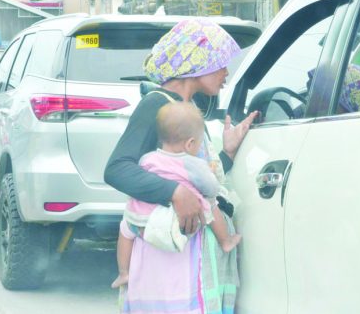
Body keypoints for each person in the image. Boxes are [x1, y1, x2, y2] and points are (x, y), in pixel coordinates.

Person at [104, 18, 258, 314]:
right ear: (197, 63)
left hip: (186, 261)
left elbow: (191, 175)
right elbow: (117, 168)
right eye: (221, 63)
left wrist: (226, 152)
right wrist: (175, 192)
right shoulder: (157, 105)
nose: (227, 72)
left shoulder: (183, 110)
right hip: (166, 267)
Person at [111, 101, 242, 289]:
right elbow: (211, 188)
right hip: (177, 219)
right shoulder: (192, 163)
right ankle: (226, 240)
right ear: (190, 143)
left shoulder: (147, 159)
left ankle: (124, 272)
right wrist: (210, 175)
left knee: (125, 230)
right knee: (211, 204)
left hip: (142, 218)